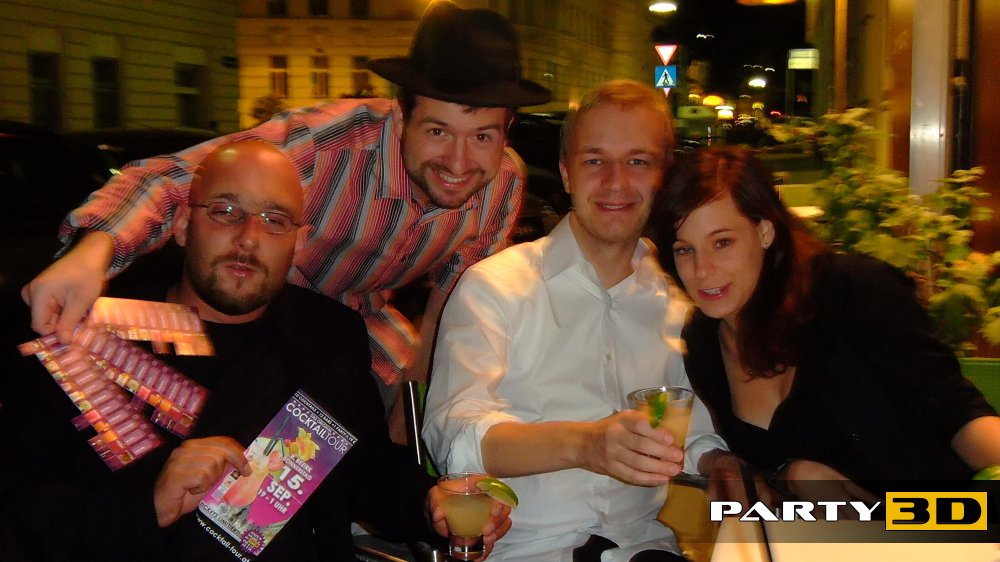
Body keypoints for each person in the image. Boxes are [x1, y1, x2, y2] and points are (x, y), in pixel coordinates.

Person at [19, 0, 551, 443]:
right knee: (216, 457)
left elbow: (454, 305)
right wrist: (91, 255)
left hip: (358, 327)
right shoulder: (325, 144)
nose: (459, 162)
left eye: (482, 136)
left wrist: (414, 402)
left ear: (506, 132)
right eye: (437, 130)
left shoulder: (502, 184)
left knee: (430, 436)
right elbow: (170, 179)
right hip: (248, 315)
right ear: (401, 114)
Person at [0, 141, 511, 560]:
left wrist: (431, 501)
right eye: (225, 212)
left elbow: (363, 472)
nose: (248, 238)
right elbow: (22, 520)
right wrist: (149, 502)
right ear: (182, 225)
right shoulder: (82, 342)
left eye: (275, 219)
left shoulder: (327, 333)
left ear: (299, 243)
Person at [422, 81, 728, 562]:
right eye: (594, 161)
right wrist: (585, 444)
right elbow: (455, 439)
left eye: (638, 161)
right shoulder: (494, 287)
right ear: (566, 173)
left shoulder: (679, 299)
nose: (615, 182)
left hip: (644, 546)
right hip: (524, 552)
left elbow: (693, 429)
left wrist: (717, 460)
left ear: (663, 177)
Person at [648, 146, 1000, 501]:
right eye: (684, 249)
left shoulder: (852, 291)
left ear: (765, 231)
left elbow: (956, 413)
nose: (702, 270)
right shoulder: (704, 343)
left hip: (937, 520)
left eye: (722, 242)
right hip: (829, 530)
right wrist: (775, 473)